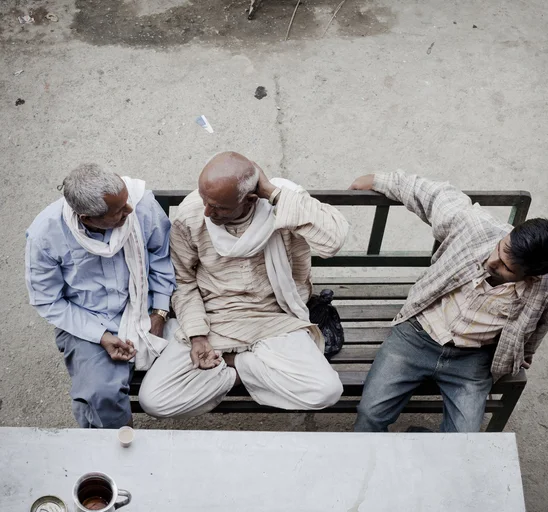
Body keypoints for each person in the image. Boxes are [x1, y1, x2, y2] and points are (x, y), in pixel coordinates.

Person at [350, 168, 548, 433]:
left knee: (464, 440)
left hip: (473, 358)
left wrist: (526, 351)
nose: (491, 261)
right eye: (499, 249)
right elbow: (435, 195)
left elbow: (542, 322)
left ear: (532, 276)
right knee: (369, 415)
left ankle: (420, 445)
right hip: (416, 336)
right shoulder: (475, 227)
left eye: (506, 268)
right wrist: (378, 180)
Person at [139, 151, 349, 417]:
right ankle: (245, 371)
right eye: (205, 200)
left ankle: (235, 365)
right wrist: (198, 335)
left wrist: (273, 192)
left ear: (251, 199)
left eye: (218, 207)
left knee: (326, 391)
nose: (207, 211)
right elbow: (183, 281)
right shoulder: (192, 214)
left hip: (275, 320)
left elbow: (334, 238)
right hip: (213, 320)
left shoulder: (282, 207)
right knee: (154, 400)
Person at [26, 163, 176, 429]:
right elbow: (48, 300)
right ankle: (121, 445)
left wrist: (159, 313)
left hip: (145, 306)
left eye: (126, 201)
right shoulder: (45, 236)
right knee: (99, 395)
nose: (130, 211)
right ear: (87, 219)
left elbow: (161, 257)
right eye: (119, 211)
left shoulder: (140, 203)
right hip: (88, 320)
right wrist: (101, 336)